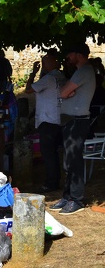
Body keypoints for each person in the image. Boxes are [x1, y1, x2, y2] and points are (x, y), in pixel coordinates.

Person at [50, 43, 96, 215]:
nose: (67, 58)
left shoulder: (84, 71)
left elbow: (62, 93)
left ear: (79, 54)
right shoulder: (80, 72)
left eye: (70, 54)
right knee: (68, 160)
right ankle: (68, 196)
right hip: (71, 121)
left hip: (78, 121)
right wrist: (67, 92)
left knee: (74, 160)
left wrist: (67, 92)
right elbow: (64, 92)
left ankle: (77, 199)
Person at [25, 53, 66, 193]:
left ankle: (51, 183)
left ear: (52, 63)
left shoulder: (48, 79)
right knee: (53, 152)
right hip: (57, 117)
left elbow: (28, 89)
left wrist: (33, 74)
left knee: (48, 153)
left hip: (47, 119)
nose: (43, 65)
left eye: (45, 62)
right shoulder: (60, 76)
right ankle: (54, 180)